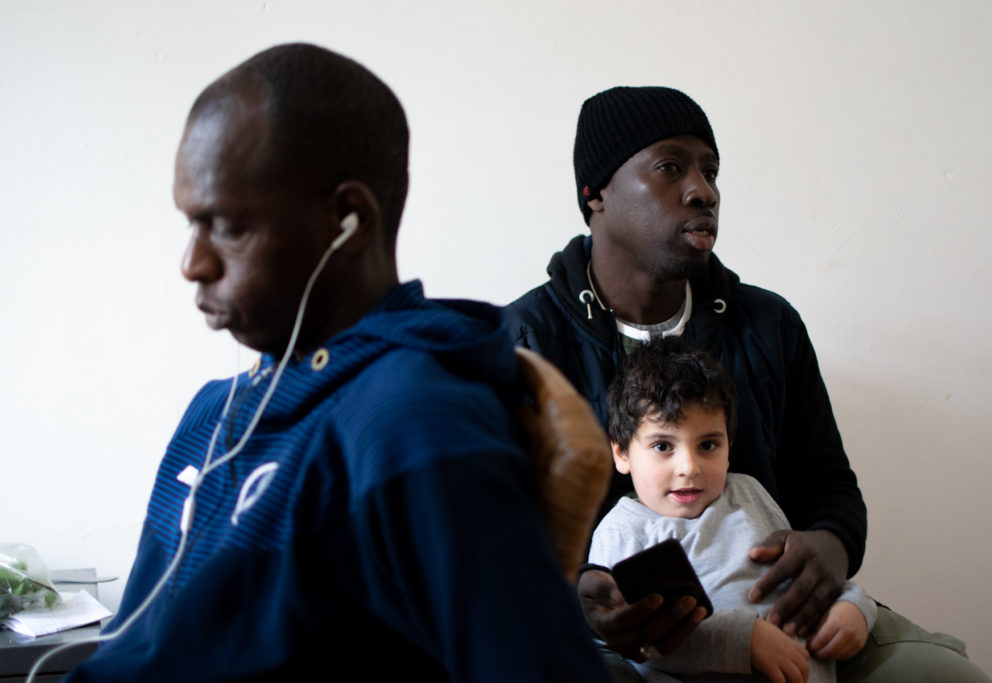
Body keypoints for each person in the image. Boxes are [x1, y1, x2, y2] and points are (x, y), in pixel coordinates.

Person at [63, 43, 610, 682]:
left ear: (348, 221)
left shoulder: (411, 421)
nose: (193, 263)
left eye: (228, 226)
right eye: (192, 223)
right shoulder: (214, 409)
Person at [504, 86, 990, 682]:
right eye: (670, 167)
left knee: (946, 678)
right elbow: (497, 541)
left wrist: (830, 552)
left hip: (785, 616)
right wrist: (586, 600)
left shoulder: (768, 323)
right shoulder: (524, 343)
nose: (702, 190)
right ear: (595, 192)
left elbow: (829, 487)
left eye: (710, 171)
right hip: (620, 646)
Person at [590, 337, 877, 683]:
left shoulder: (749, 495)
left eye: (708, 445)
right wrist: (744, 640)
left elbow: (805, 580)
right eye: (663, 446)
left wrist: (855, 608)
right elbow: (640, 640)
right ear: (621, 453)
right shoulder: (622, 530)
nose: (689, 467)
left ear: (729, 447)